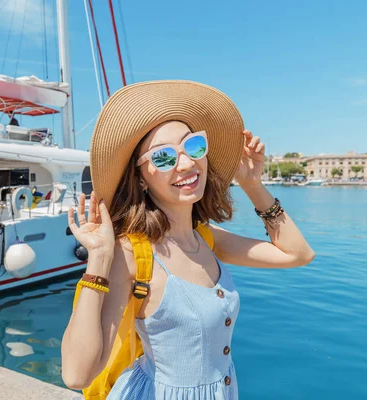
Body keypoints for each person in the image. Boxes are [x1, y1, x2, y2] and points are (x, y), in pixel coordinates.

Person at [61, 81, 314, 399]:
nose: (186, 163)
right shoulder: (132, 254)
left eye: (193, 146)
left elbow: (297, 255)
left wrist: (251, 184)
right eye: (164, 157)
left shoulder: (206, 238)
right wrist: (99, 256)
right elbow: (76, 374)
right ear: (140, 178)